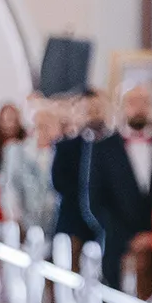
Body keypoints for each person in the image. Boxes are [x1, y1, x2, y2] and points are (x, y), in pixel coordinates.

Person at [85, 82, 152, 294]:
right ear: (120, 107)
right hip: (119, 245)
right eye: (132, 102)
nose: (139, 107)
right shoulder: (103, 149)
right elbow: (95, 202)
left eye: (145, 102)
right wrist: (129, 238)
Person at [48, 92, 103, 252]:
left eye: (96, 110)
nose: (92, 116)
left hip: (105, 223)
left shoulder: (112, 146)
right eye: (87, 111)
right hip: (73, 220)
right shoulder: (65, 147)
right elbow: (59, 182)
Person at [1, 101, 60, 237]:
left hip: (52, 226)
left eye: (47, 126)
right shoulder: (17, 150)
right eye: (38, 126)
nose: (42, 131)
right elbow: (10, 185)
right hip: (25, 222)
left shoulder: (58, 153)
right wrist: (16, 220)